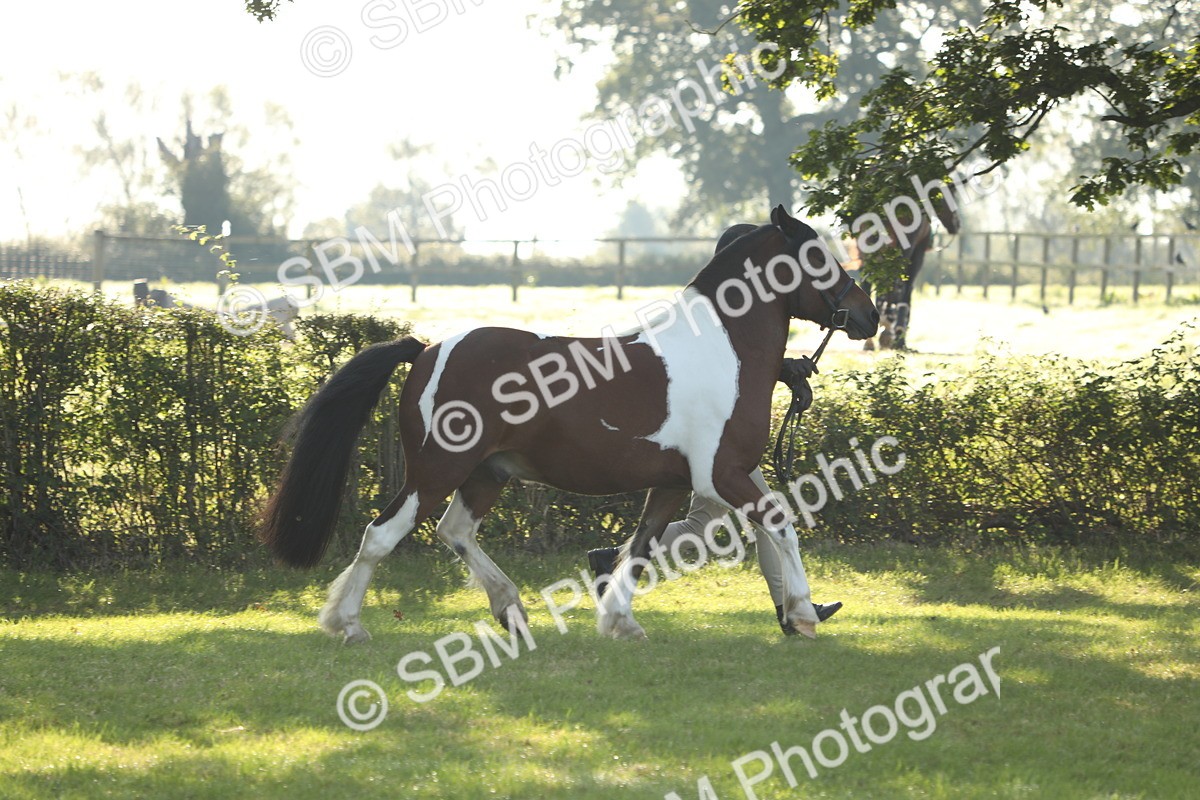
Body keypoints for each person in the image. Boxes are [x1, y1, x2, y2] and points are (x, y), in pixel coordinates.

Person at [587, 355, 843, 635]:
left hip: (715, 435)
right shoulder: (727, 321)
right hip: (720, 441)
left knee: (699, 529)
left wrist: (784, 370)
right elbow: (730, 361)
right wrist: (784, 367)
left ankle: (611, 560)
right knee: (769, 520)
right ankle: (790, 614)